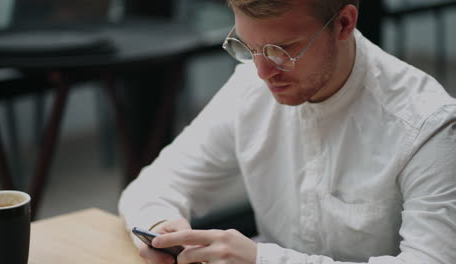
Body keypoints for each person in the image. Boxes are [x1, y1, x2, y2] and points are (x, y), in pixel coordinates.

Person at [119, 0, 456, 263]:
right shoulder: (249, 87)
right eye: (249, 48)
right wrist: (162, 227)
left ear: (344, 23)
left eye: (283, 50)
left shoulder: (427, 125)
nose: (264, 72)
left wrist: (262, 259)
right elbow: (155, 184)